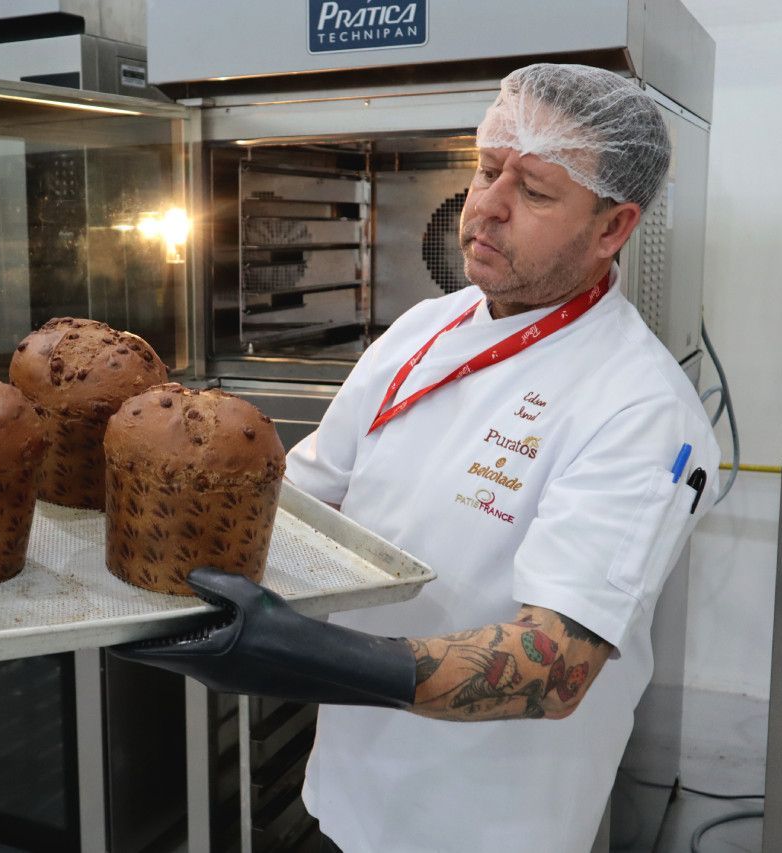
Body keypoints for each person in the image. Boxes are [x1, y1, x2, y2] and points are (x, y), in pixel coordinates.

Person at [117, 63, 721, 852]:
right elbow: (303, 498)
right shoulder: (424, 329)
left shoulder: (639, 405)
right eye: (486, 168)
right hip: (349, 793)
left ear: (612, 229)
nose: (487, 207)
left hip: (486, 825)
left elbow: (557, 664)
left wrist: (320, 656)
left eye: (535, 191)